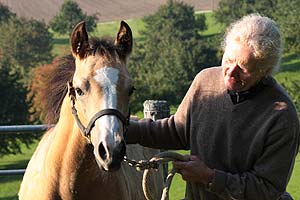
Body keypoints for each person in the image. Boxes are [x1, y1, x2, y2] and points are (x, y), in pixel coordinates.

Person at [126, 13, 300, 199]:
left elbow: (267, 189)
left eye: (243, 69)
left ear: (265, 71)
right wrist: (122, 128)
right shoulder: (205, 81)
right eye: (229, 60)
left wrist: (209, 177)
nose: (230, 72)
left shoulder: (282, 116)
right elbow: (176, 131)